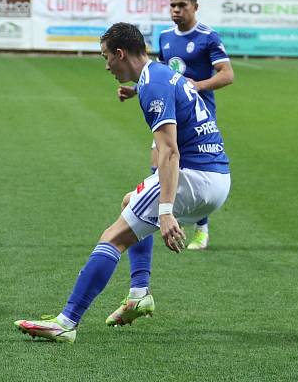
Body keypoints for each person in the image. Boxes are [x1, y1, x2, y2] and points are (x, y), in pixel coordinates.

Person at [14, 22, 231, 343]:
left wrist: (167, 211)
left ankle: (66, 322)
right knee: (132, 201)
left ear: (120, 53)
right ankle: (139, 293)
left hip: (194, 177)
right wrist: (137, 91)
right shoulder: (159, 76)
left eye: (106, 57)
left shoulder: (154, 83)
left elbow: (170, 152)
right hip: (218, 179)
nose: (106, 66)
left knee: (113, 237)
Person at [119, 0, 234, 254]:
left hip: (198, 116)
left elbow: (227, 74)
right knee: (158, 166)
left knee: (184, 166)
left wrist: (198, 86)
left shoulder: (208, 37)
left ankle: (201, 228)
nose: (176, 10)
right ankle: (162, 216)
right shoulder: (166, 37)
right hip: (169, 113)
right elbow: (158, 74)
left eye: (182, 5)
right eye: (172, 5)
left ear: (195, 6)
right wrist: (136, 90)